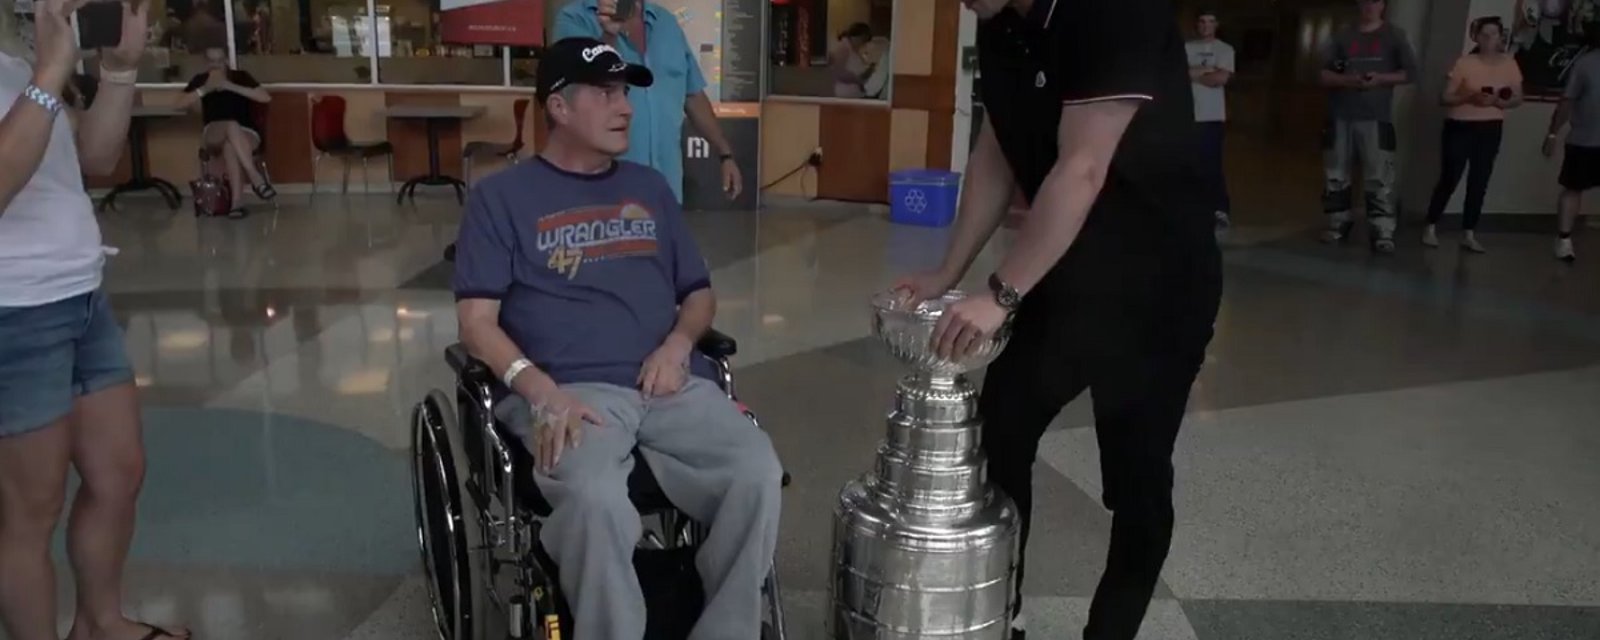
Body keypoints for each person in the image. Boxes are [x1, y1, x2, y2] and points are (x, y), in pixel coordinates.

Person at [894, 1, 1220, 639]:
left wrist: (1001, 294)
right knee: (1001, 440)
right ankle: (999, 616)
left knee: (1137, 480)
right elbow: (998, 147)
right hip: (1062, 276)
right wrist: (948, 270)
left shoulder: (1112, 12)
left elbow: (1082, 166)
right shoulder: (1000, 26)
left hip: (1156, 290)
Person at [452, 37, 783, 640]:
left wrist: (678, 345)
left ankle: (726, 630)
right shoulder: (500, 199)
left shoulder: (650, 188)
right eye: (606, 94)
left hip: (668, 381)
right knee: (597, 497)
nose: (625, 107)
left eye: (625, 92)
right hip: (571, 392)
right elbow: (476, 322)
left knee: (755, 470)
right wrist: (541, 391)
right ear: (558, 107)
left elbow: (699, 294)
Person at [1, 1, 191, 640]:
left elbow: (96, 159)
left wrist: (118, 73)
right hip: (13, 311)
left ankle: (100, 622)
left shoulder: (15, 64)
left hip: (81, 293)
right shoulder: (36, 70)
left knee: (119, 472)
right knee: (30, 511)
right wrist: (50, 71)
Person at [553, 0, 742, 204]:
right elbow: (579, 88)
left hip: (666, 191)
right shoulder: (574, 19)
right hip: (603, 195)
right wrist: (608, 36)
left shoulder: (667, 24)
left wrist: (725, 154)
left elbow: (693, 94)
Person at [1317, 0, 1418, 253]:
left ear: (1382, 5)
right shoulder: (1341, 35)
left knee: (1379, 175)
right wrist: (1348, 80)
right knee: (1336, 173)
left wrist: (1381, 78)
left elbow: (1410, 73)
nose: (1369, 6)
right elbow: (1323, 74)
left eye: (1375, 1)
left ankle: (1382, 230)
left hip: (1376, 116)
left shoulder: (1394, 35)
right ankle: (1338, 222)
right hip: (1340, 115)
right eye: (1365, 1)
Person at [1424, 17, 1523, 254]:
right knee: (1450, 176)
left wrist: (1499, 101)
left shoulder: (1509, 64)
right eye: (1484, 35)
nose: (1489, 40)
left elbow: (1518, 98)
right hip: (1460, 125)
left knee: (1480, 180)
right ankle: (1430, 225)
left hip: (1490, 128)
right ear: (1476, 37)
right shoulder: (1464, 63)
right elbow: (1444, 97)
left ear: (1501, 37)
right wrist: (1470, 98)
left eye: (1494, 34)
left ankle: (1469, 232)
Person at [178, 44, 274, 217]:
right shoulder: (201, 79)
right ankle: (255, 177)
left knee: (230, 144)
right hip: (214, 131)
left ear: (227, 61)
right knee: (230, 125)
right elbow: (179, 103)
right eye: (212, 62)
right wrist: (205, 89)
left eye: (220, 61)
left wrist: (230, 86)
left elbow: (265, 97)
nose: (216, 66)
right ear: (206, 62)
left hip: (246, 132)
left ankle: (236, 204)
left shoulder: (240, 77)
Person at [1541, 26, 1600, 262]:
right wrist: (1552, 134)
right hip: (1585, 141)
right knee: (1573, 187)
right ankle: (1564, 240)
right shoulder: (1586, 64)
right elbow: (1566, 102)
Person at [1186, 10, 1234, 230]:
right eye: (1202, 21)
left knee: (1212, 165)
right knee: (1189, 165)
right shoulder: (1187, 48)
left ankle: (1220, 209)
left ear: (1217, 24)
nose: (1206, 25)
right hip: (1188, 115)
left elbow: (1220, 79)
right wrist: (1207, 70)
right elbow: (1178, 75)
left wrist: (1194, 73)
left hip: (1212, 116)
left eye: (1210, 21)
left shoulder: (1224, 50)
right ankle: (1193, 208)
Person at [829, 22, 874, 98]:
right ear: (859, 37)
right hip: (845, 94)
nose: (863, 44)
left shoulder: (854, 49)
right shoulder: (843, 47)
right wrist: (858, 80)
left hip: (855, 94)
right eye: (864, 41)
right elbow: (839, 72)